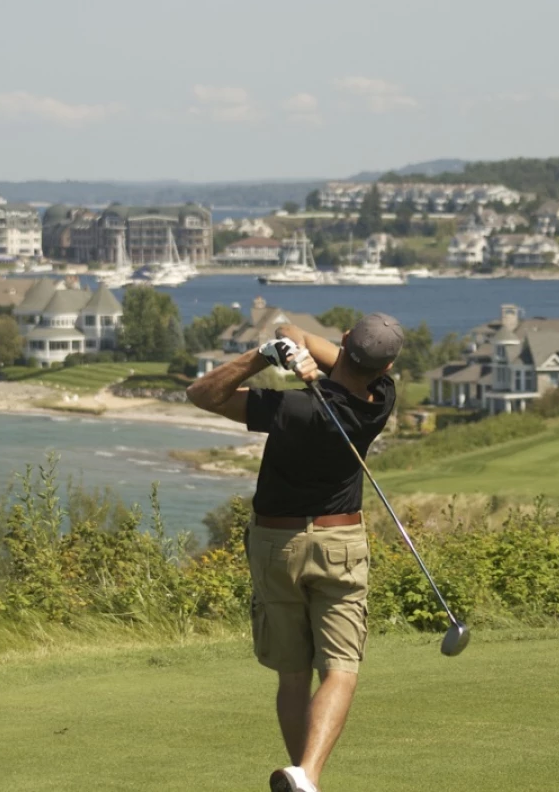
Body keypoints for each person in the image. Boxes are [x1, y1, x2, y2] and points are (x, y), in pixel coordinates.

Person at [186, 312, 405, 792]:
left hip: (276, 544)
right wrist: (298, 350)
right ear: (387, 368)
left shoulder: (291, 409)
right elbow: (312, 343)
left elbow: (202, 394)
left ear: (345, 341)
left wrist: (265, 353)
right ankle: (307, 776)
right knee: (341, 670)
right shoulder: (381, 399)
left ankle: (303, 778)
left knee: (292, 675)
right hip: (340, 544)